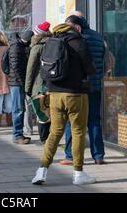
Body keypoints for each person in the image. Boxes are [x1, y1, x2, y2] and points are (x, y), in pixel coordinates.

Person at [32, 15, 96, 186]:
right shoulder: (79, 42)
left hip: (54, 95)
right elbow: (89, 67)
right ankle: (78, 173)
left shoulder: (51, 41)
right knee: (78, 132)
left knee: (55, 132)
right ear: (77, 28)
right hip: (76, 94)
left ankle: (42, 170)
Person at [60, 12, 106, 166]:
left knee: (72, 120)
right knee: (94, 120)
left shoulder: (75, 39)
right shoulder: (99, 37)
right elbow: (104, 61)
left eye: (69, 27)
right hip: (96, 85)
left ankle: (70, 156)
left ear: (77, 26)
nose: (67, 30)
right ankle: (98, 155)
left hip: (78, 87)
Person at [25, 21, 52, 143]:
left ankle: (44, 138)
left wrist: (27, 88)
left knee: (41, 112)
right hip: (54, 83)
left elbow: (30, 70)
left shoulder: (37, 47)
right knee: (52, 111)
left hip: (40, 84)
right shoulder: (55, 43)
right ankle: (51, 137)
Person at [7, 30, 33, 144]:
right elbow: (15, 67)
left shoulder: (20, 46)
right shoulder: (16, 47)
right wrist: (23, 82)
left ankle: (19, 134)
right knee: (18, 109)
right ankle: (17, 135)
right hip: (17, 83)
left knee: (20, 108)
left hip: (18, 82)